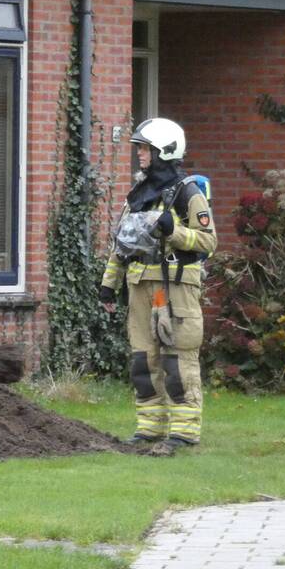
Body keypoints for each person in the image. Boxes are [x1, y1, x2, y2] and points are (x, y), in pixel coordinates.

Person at [99, 118, 217, 457]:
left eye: (145, 148)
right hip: (139, 288)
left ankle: (183, 429)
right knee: (142, 359)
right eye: (139, 147)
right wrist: (109, 285)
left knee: (177, 358)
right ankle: (149, 426)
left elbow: (209, 242)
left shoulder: (188, 193)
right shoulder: (138, 195)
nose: (140, 154)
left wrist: (175, 232)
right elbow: (122, 243)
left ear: (164, 151)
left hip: (174, 287)